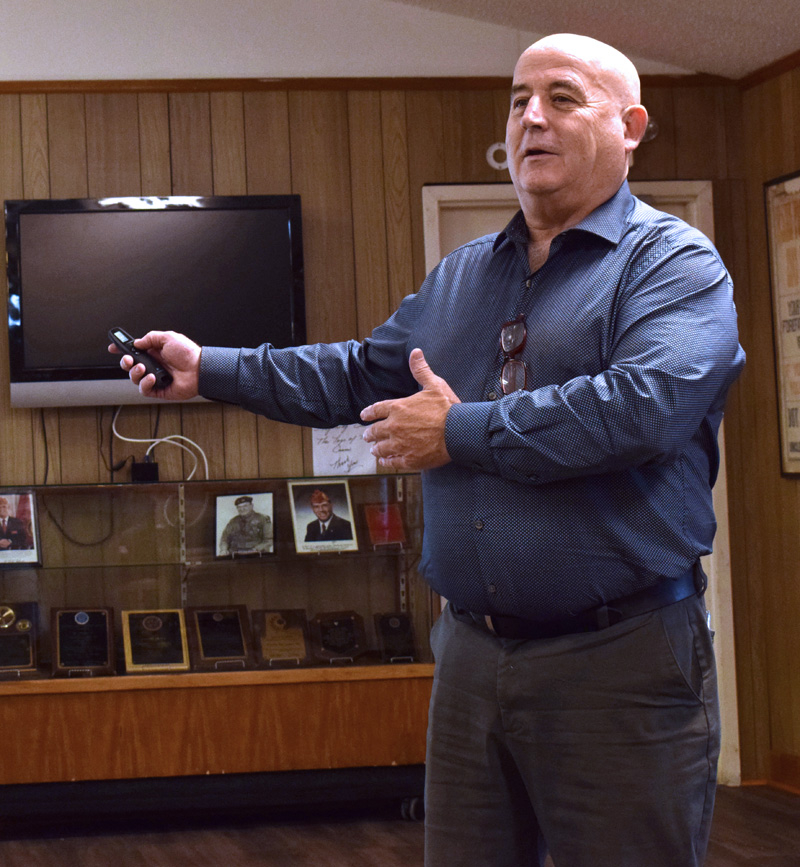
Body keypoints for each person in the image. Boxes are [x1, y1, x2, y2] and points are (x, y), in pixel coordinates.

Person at [110, 33, 745, 867]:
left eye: (561, 98)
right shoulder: (462, 277)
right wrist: (210, 371)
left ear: (630, 126)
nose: (531, 119)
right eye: (518, 100)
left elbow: (640, 410)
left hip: (617, 665)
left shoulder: (674, 265)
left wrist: (456, 431)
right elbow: (358, 372)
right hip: (473, 660)